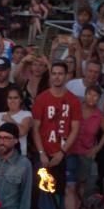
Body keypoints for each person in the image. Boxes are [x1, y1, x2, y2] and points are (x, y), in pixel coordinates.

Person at [32, 62, 82, 198]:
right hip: (43, 152)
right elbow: (35, 129)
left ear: (66, 76)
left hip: (63, 153)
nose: (57, 77)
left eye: (60, 74)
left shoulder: (73, 101)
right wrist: (41, 152)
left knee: (60, 191)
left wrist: (62, 152)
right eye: (54, 73)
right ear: (50, 76)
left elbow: (75, 129)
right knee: (40, 191)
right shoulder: (41, 99)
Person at [65, 85, 104, 209]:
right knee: (68, 185)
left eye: (95, 95)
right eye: (89, 94)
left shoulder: (99, 116)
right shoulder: (76, 108)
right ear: (85, 95)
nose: (92, 98)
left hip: (85, 153)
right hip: (70, 150)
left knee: (81, 186)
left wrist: (97, 148)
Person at [0, 85, 32, 155]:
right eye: (10, 98)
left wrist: (10, 120)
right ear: (6, 99)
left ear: (21, 99)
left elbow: (22, 132)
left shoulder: (27, 114)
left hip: (17, 156)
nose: (12, 101)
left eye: (15, 98)